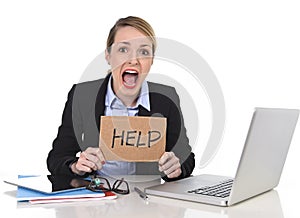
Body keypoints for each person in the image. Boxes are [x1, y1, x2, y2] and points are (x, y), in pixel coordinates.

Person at [47, 16, 195, 181]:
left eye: (144, 52)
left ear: (151, 60)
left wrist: (176, 166)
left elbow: (186, 158)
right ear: (108, 56)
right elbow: (57, 158)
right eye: (123, 50)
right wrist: (76, 166)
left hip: (147, 199)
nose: (133, 60)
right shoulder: (82, 95)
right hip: (97, 198)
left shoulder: (167, 98)